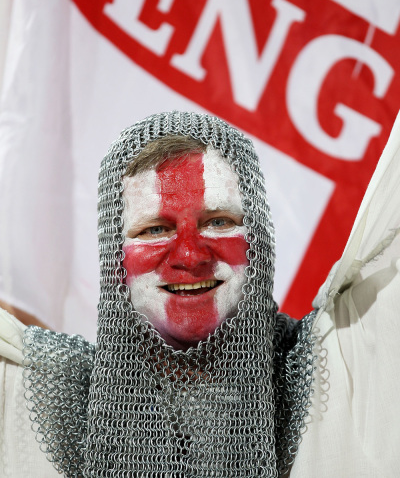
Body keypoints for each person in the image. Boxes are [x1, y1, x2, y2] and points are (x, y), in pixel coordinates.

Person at [0, 110, 399, 477]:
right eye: (155, 229)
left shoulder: (346, 367)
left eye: (219, 221)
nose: (190, 256)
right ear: (114, 257)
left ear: (258, 241)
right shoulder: (36, 400)